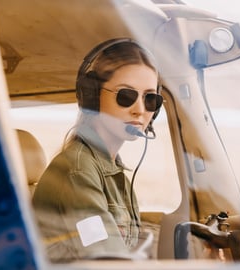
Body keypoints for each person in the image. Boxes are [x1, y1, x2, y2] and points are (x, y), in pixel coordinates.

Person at [32, 38, 163, 262]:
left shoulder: (113, 172)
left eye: (151, 99)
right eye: (126, 96)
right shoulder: (78, 171)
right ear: (92, 97)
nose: (140, 110)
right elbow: (110, 263)